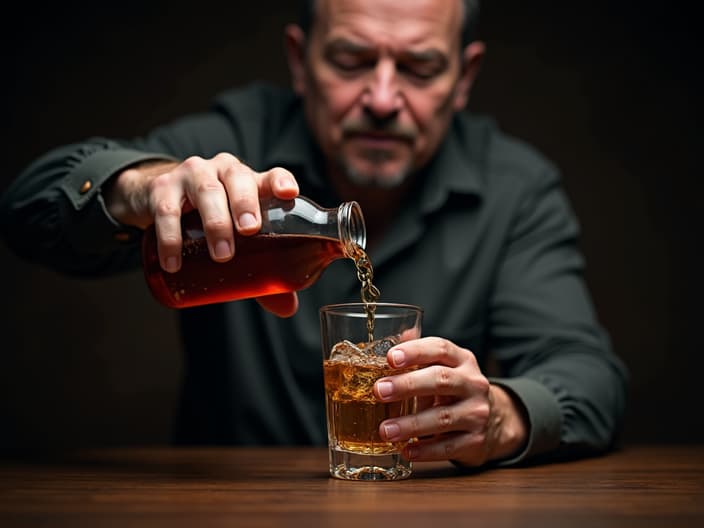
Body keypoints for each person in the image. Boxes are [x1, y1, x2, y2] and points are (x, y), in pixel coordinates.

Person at [0, 0, 628, 468]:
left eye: (419, 68)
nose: (382, 98)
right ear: (300, 61)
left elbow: (589, 376)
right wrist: (140, 187)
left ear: (464, 78)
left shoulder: (514, 187)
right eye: (352, 61)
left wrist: (503, 416)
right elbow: (26, 210)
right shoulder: (235, 143)